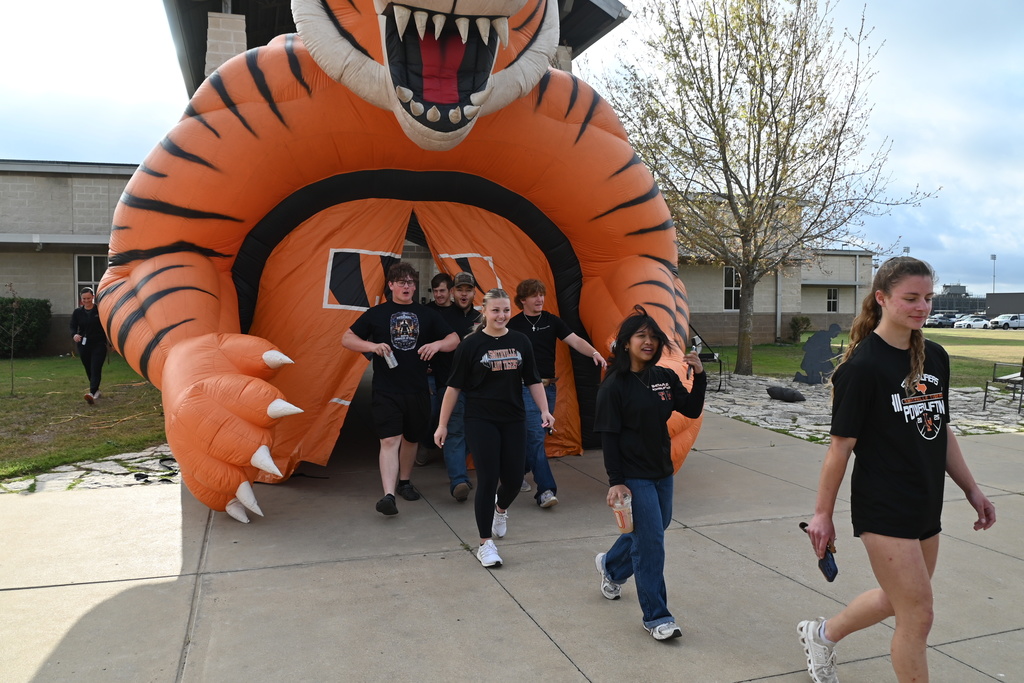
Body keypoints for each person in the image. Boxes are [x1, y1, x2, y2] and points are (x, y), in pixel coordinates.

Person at [798, 256, 996, 683]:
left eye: (927, 298)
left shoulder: (935, 357)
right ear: (882, 298)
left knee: (898, 601)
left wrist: (972, 490)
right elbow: (839, 450)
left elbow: (940, 431)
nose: (922, 307)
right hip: (883, 506)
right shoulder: (862, 368)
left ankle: (822, 634)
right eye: (911, 298)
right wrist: (822, 515)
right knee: (919, 615)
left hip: (925, 503)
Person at [593, 305, 705, 641]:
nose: (649, 342)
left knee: (656, 526)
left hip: (661, 470)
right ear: (626, 343)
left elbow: (691, 408)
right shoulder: (614, 386)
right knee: (651, 543)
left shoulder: (665, 378)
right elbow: (608, 437)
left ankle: (612, 567)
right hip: (633, 474)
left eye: (654, 337)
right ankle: (657, 617)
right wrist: (616, 481)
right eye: (641, 336)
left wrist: (699, 375)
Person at [434, 288, 554, 568]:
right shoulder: (471, 345)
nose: (501, 315)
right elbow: (453, 387)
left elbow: (533, 380)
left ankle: (501, 510)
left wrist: (545, 410)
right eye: (496, 310)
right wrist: (442, 425)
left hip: (513, 418)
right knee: (488, 479)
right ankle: (485, 543)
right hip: (480, 420)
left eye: (505, 310)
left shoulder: (521, 341)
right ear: (484, 311)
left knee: (513, 480)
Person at [342, 262, 459, 516]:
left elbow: (454, 339)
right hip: (386, 389)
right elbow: (347, 338)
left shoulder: (426, 314)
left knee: (411, 438)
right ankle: (388, 495)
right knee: (389, 439)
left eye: (411, 282)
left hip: (417, 389)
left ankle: (405, 482)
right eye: (402, 282)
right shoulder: (377, 313)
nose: (407, 286)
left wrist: (437, 345)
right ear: (391, 285)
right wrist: (371, 347)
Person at [507, 278, 607, 508]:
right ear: (523, 300)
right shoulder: (513, 325)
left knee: (536, 438)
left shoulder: (552, 321)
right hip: (524, 388)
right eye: (534, 295)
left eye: (541, 294)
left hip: (549, 388)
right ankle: (546, 490)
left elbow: (575, 340)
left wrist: (593, 353)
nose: (540, 299)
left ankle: (514, 473)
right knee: (534, 435)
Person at [433, 272, 482, 501]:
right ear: (453, 292)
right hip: (450, 385)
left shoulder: (482, 318)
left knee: (473, 434)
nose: (464, 294)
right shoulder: (440, 316)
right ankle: (459, 481)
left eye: (468, 290)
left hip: (478, 388)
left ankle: (459, 471)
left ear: (474, 293)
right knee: (454, 432)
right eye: (460, 290)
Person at [417, 272, 456, 464]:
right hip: (430, 372)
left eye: (442, 290)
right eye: (436, 291)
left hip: (451, 372)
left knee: (450, 413)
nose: (439, 295)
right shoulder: (425, 311)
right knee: (430, 412)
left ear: (450, 291)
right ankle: (426, 445)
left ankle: (451, 453)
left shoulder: (459, 312)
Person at [70, 288, 108, 404]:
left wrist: (111, 343)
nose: (86, 301)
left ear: (93, 297)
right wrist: (74, 335)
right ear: (81, 299)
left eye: (88, 298)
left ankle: (92, 392)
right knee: (88, 367)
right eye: (84, 299)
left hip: (99, 343)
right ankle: (96, 390)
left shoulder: (100, 310)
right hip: (83, 344)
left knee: (95, 367)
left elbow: (107, 326)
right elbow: (72, 326)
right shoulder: (77, 312)